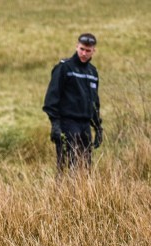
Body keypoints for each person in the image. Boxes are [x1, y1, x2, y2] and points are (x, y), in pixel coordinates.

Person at [43, 33, 102, 173]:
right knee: (67, 166)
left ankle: (83, 195)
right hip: (68, 124)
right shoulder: (64, 68)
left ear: (94, 51)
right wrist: (55, 125)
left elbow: (94, 102)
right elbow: (51, 99)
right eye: (81, 49)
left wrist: (98, 128)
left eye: (88, 50)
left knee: (85, 168)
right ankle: (62, 195)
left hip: (85, 126)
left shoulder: (93, 72)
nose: (84, 53)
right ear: (76, 46)